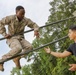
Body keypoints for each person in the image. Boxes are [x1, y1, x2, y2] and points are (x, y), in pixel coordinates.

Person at [0, 6, 39, 71]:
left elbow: (34, 24)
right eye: (21, 14)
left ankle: (17, 58)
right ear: (16, 12)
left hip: (20, 38)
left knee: (30, 47)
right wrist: (4, 34)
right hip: (11, 38)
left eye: (24, 14)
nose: (23, 15)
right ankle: (1, 61)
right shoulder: (11, 18)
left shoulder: (25, 20)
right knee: (18, 48)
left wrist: (36, 30)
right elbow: (0, 23)